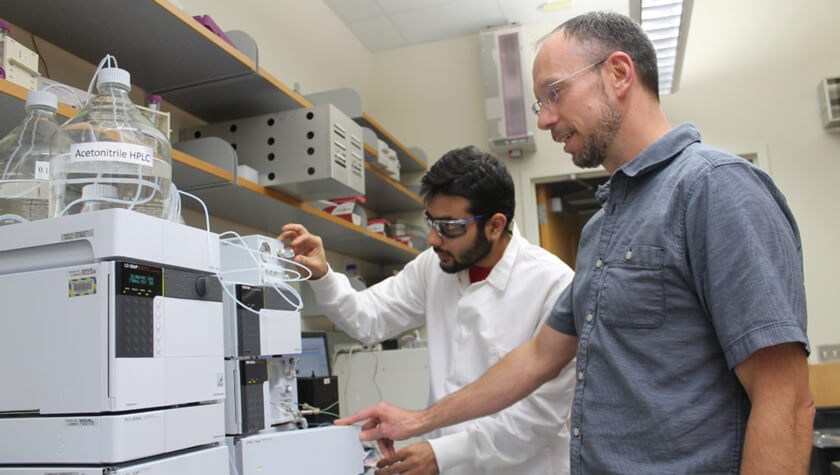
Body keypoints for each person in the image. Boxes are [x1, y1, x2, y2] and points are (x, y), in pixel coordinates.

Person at [335, 11, 815, 475]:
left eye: (554, 93)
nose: (544, 121)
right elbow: (539, 356)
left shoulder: (715, 188)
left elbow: (786, 401)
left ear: (619, 74)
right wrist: (421, 421)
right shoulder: (602, 226)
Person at [280, 146, 576, 475]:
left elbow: (541, 416)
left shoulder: (553, 283)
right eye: (431, 222)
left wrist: (442, 453)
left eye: (450, 226)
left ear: (495, 225)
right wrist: (322, 275)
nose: (433, 239)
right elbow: (369, 319)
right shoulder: (434, 267)